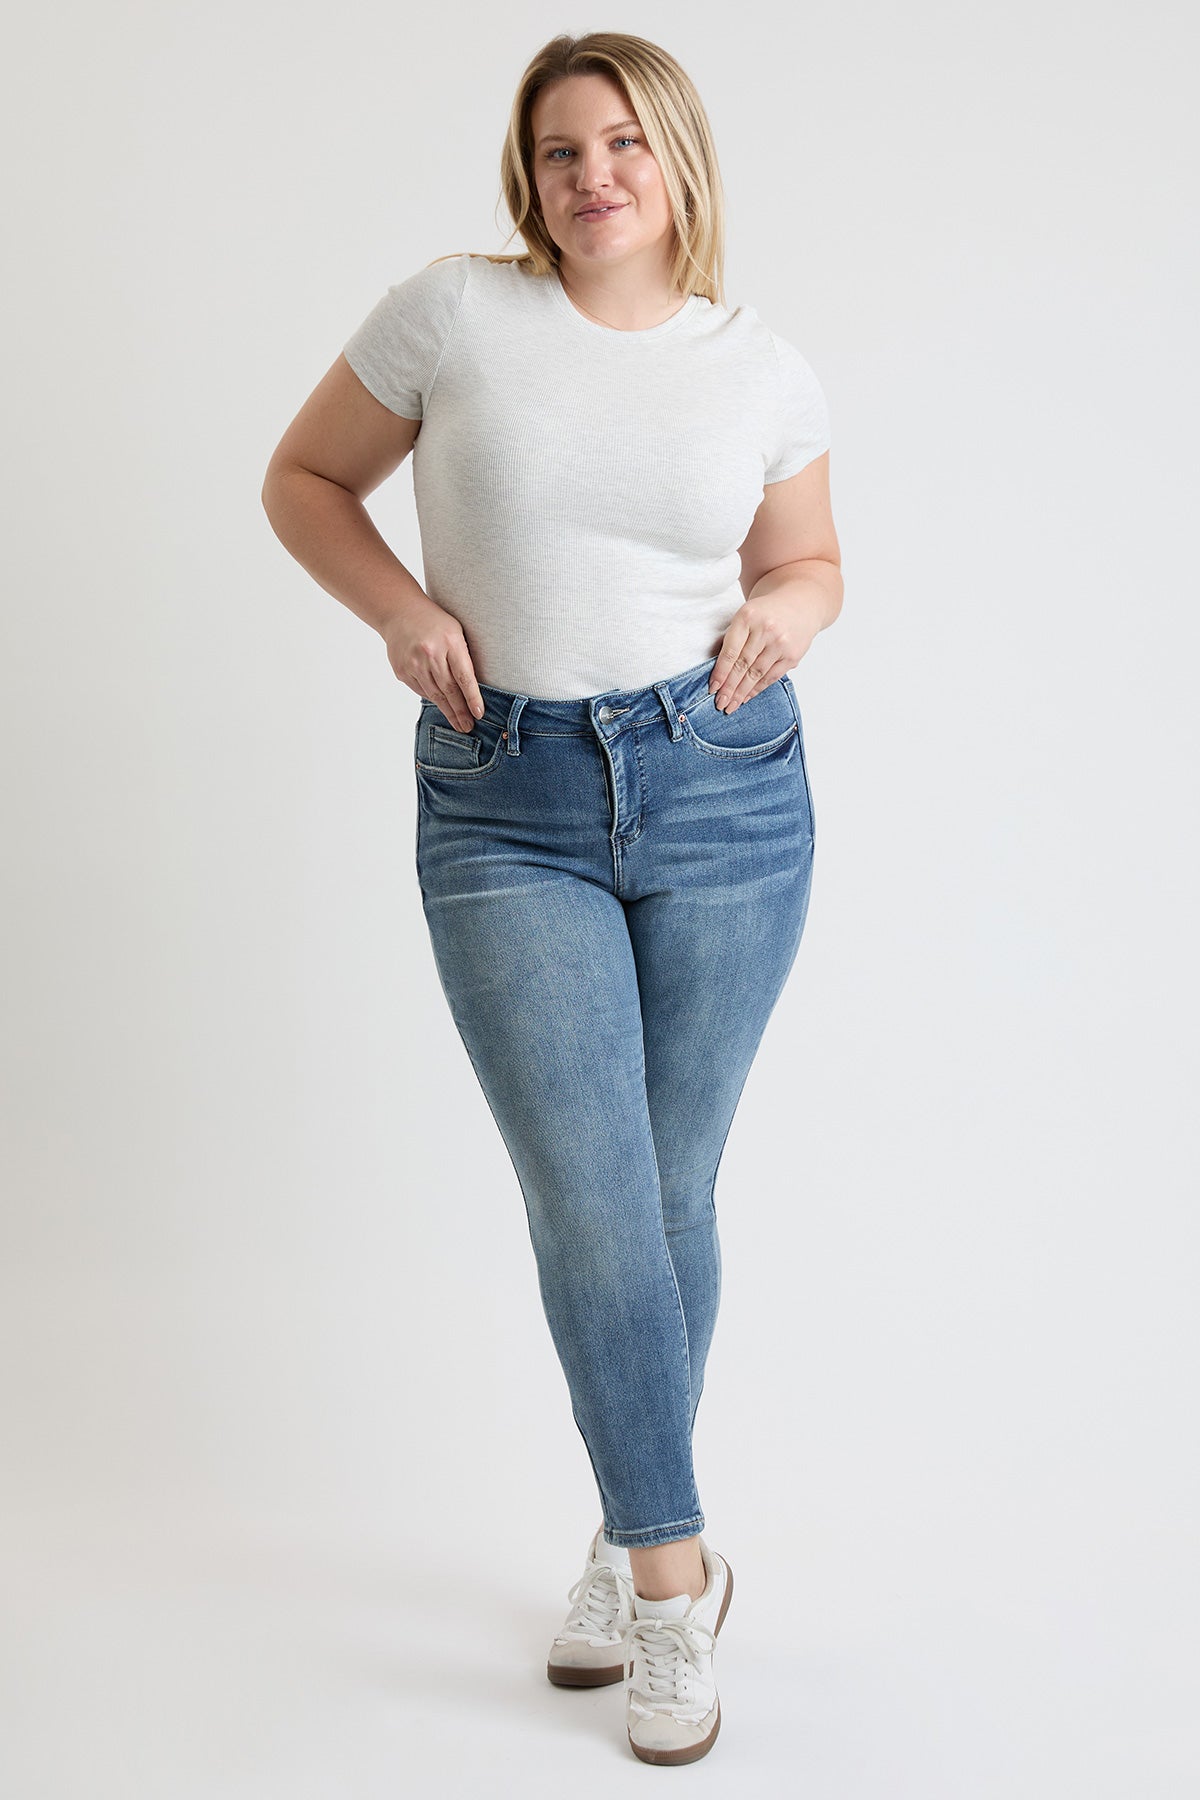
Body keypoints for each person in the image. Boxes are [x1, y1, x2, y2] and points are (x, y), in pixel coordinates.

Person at [261, 29, 842, 1768]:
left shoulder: (761, 367)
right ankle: (675, 1585)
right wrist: (399, 611)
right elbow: (304, 480)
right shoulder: (452, 315)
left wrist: (788, 613)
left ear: (678, 159)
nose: (593, 177)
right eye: (561, 150)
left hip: (721, 786)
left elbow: (809, 562)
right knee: (591, 1193)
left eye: (623, 144)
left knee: (665, 1190)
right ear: (528, 175)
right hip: (504, 797)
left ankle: (618, 1528)